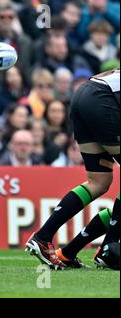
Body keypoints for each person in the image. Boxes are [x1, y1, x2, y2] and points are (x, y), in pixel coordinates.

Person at [26, 68, 120, 270]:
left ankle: (46, 239)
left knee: (99, 182)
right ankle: (109, 250)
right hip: (104, 100)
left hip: (84, 93)